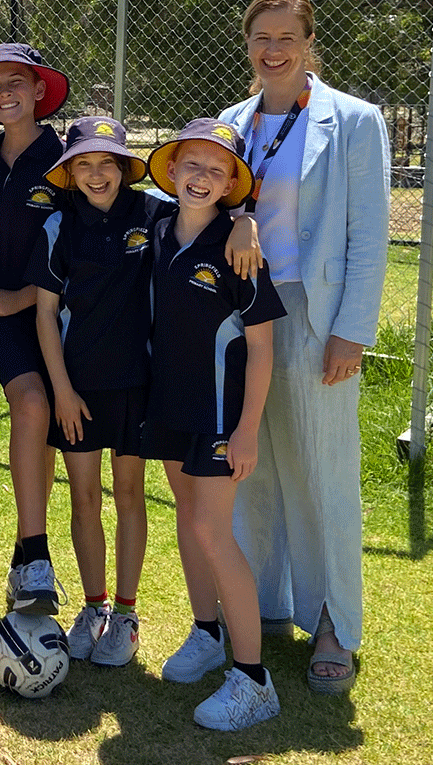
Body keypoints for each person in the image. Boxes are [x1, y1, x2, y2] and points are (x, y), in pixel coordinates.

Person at [219, 0, 390, 694]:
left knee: (322, 474)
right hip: (240, 316)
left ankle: (333, 622)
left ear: (309, 42)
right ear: (249, 44)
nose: (274, 50)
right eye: (262, 37)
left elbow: (367, 234)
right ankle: (266, 604)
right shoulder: (232, 121)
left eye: (287, 37)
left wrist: (351, 330)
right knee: (247, 467)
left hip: (315, 315)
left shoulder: (353, 121)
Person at [145, 118, 285, 730]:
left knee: (212, 528)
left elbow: (261, 348)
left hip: (222, 414)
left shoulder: (240, 248)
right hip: (170, 404)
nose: (201, 178)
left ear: (233, 184)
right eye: (191, 165)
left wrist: (250, 427)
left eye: (217, 169)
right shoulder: (152, 227)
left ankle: (254, 679)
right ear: (171, 171)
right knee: (187, 515)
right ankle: (206, 632)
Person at [28, 117, 161, 666]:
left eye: (108, 162)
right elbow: (45, 313)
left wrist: (245, 222)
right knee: (84, 497)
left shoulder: (154, 213)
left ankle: (126, 613)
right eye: (84, 163)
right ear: (69, 171)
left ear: (126, 167)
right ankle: (94, 606)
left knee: (129, 495)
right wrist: (60, 388)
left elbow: (218, 211)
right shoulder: (60, 226)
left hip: (135, 383)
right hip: (78, 388)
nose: (97, 173)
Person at [0, 43, 68, 615]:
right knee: (29, 405)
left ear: (39, 91)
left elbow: (89, 234)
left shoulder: (67, 154)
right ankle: (34, 554)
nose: (7, 92)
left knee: (45, 423)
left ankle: (29, 557)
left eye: (17, 82)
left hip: (57, 309)